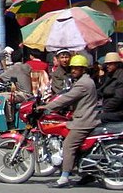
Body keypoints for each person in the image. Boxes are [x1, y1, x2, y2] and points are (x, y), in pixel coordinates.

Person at [43, 54, 100, 189]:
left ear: (83, 69)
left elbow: (67, 98)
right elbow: (65, 94)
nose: (73, 70)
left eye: (77, 68)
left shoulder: (83, 83)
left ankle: (64, 178)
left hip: (84, 121)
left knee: (69, 145)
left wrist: (47, 107)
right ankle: (86, 174)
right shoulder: (82, 81)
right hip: (83, 118)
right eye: (72, 68)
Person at [0, 48, 32, 123]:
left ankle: (9, 121)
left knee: (0, 96)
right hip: (28, 95)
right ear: (22, 58)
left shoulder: (14, 68)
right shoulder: (27, 66)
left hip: (23, 95)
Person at [98, 52, 123, 123]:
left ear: (117, 64)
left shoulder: (120, 77)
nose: (107, 66)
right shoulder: (110, 75)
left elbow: (118, 98)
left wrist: (104, 110)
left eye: (110, 64)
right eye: (106, 64)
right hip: (109, 108)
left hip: (118, 111)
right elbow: (101, 90)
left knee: (95, 118)